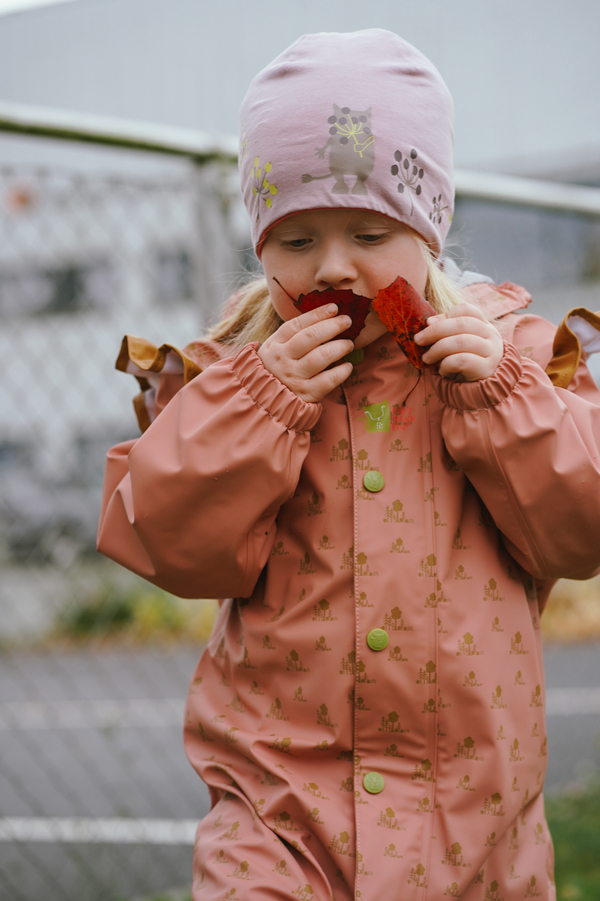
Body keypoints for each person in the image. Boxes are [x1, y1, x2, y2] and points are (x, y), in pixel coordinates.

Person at [98, 29, 600, 901]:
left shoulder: (516, 359)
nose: (332, 264)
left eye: (369, 232)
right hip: (277, 820)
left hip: (473, 828)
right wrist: (255, 406)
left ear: (429, 231)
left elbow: (579, 533)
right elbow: (175, 545)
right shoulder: (229, 372)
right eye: (295, 242)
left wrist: (506, 401)